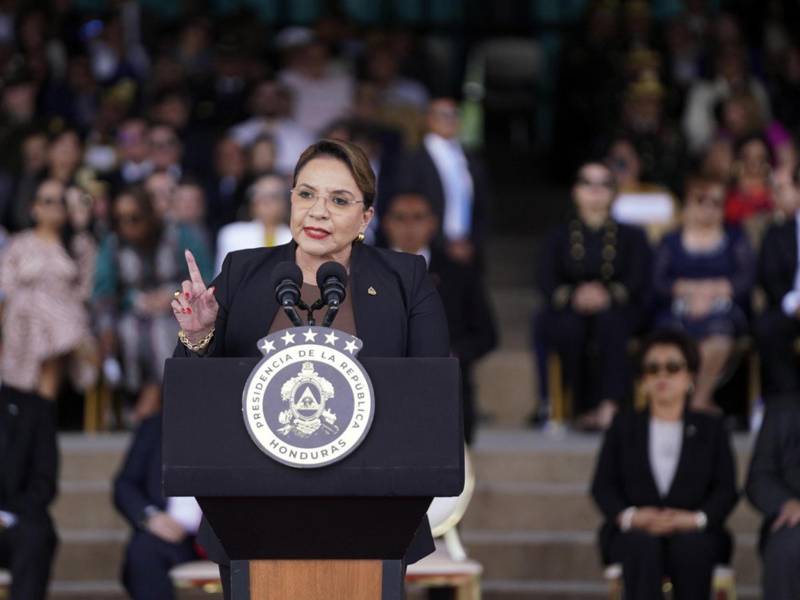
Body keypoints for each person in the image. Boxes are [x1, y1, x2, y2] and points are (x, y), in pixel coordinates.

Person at [170, 139, 449, 599]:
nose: (318, 211)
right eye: (306, 194)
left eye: (339, 200)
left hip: (372, 516)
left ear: (365, 217)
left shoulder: (404, 278)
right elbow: (195, 396)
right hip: (251, 517)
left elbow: (429, 395)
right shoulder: (243, 272)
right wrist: (199, 334)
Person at [591, 329, 739, 600]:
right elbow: (603, 486)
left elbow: (726, 489)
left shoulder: (712, 428)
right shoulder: (623, 426)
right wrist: (633, 517)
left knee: (691, 547)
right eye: (652, 368)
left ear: (690, 376)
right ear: (643, 380)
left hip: (697, 530)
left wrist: (694, 519)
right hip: (634, 530)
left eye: (673, 367)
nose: (662, 376)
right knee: (641, 545)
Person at [536, 161, 651, 430]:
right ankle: (572, 406)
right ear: (576, 191)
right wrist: (575, 295)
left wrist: (607, 295)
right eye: (588, 183)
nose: (596, 190)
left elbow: (638, 276)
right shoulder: (558, 235)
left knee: (612, 324)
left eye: (604, 184)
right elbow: (546, 278)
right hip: (572, 308)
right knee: (567, 327)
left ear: (614, 192)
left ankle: (610, 404)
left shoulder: (632, 235)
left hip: (617, 307)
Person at [382, 191, 497, 444]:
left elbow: (486, 335)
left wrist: (453, 355)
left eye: (418, 217)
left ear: (432, 223)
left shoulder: (460, 273)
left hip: (446, 388)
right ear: (386, 222)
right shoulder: (367, 270)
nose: (409, 226)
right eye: (400, 218)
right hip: (383, 387)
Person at [93, 186, 212, 419]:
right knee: (128, 331)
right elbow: (104, 290)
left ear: (149, 214)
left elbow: (204, 275)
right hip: (130, 312)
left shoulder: (180, 235)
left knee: (163, 331)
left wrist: (174, 295)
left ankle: (153, 401)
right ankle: (143, 401)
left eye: (134, 218)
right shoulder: (113, 244)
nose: (127, 225)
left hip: (180, 310)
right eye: (120, 219)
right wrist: (133, 301)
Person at [653, 173, 755, 412]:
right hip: (677, 308)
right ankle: (675, 401)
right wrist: (690, 291)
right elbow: (657, 281)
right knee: (671, 339)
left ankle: (698, 400)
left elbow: (746, 278)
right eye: (701, 201)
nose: (708, 208)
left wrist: (713, 292)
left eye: (716, 203)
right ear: (687, 203)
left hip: (723, 308)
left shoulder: (735, 237)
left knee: (719, 336)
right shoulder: (670, 241)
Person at [0, 178, 97, 400]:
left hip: (64, 320)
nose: (55, 207)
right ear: (35, 207)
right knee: (35, 316)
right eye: (48, 201)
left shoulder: (78, 244)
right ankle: (38, 405)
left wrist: (79, 223)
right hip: (22, 320)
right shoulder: (18, 244)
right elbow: (6, 286)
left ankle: (43, 404)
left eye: (61, 201)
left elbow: (85, 290)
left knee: (55, 324)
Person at [114, 413, 203, 600]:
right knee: (142, 550)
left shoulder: (234, 422)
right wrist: (151, 517)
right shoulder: (154, 426)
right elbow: (125, 484)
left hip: (226, 536)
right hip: (175, 536)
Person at [401, 97, 491, 267]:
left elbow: (482, 206)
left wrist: (473, 243)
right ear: (428, 119)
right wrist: (442, 243)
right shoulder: (414, 159)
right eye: (443, 114)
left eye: (454, 114)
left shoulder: (471, 159)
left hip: (468, 251)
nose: (450, 119)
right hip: (427, 252)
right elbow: (409, 205)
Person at [0, 385, 59, 600]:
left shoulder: (33, 408)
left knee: (34, 536)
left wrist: (4, 517)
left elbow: (44, 483)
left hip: (14, 521)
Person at [746, 399, 800, 600]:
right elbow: (759, 476)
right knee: (787, 544)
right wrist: (788, 503)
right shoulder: (783, 410)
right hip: (794, 524)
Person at [755, 167, 800, 396]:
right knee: (767, 327)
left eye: (781, 189)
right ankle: (789, 403)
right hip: (790, 308)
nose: (775, 195)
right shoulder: (776, 231)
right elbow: (769, 275)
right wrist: (794, 303)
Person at [214, 174, 292, 274]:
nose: (266, 201)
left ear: (285, 203)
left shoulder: (295, 238)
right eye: (259, 194)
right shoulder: (231, 234)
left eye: (273, 196)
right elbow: (221, 278)